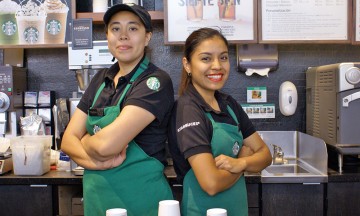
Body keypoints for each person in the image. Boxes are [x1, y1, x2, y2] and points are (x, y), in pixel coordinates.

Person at [61, 4, 174, 216]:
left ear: (147, 37)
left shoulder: (155, 82)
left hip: (142, 203)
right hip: (98, 203)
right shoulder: (100, 80)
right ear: (107, 36)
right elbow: (67, 141)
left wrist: (84, 140)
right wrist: (100, 164)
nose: (123, 36)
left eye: (133, 29)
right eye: (115, 29)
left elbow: (106, 146)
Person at [168, 27, 272, 216]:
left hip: (237, 210)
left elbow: (265, 155)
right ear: (187, 65)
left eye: (223, 57)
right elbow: (211, 183)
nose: (217, 66)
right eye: (206, 58)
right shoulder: (188, 110)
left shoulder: (229, 104)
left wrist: (240, 164)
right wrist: (245, 159)